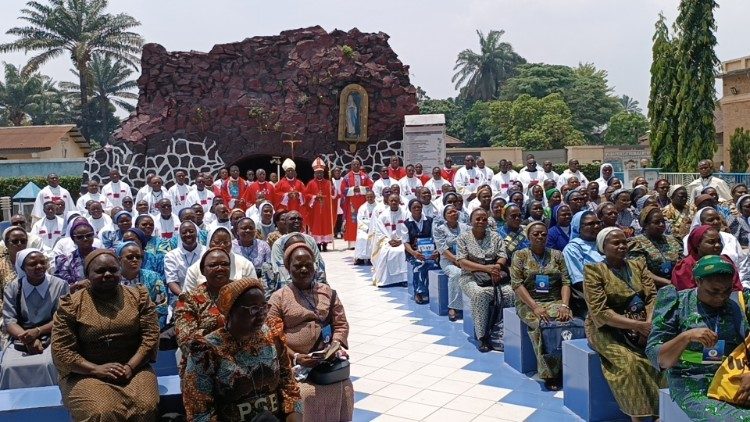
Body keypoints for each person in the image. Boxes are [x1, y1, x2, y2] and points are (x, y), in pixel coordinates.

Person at [51, 249, 160, 421]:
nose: (108, 274)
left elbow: (150, 337)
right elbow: (62, 350)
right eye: (100, 271)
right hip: (85, 373)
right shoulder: (71, 305)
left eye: (113, 270)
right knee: (103, 411)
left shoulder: (138, 297)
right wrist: (96, 369)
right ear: (87, 274)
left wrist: (130, 366)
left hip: (134, 368)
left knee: (145, 406)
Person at [183, 277, 303, 421]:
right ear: (230, 311)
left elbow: (289, 388)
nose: (261, 315)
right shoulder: (207, 351)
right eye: (253, 309)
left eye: (264, 308)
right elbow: (200, 413)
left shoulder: (272, 336)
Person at [646, 255, 750, 419]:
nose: (721, 297)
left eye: (726, 290)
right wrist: (685, 337)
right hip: (693, 383)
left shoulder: (740, 302)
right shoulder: (677, 303)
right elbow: (658, 358)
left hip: (735, 377)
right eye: (713, 291)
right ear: (698, 281)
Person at [583, 227, 661, 421]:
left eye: (624, 242)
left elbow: (652, 297)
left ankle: (661, 411)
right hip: (606, 328)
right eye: (615, 243)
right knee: (629, 363)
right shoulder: (594, 271)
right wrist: (636, 326)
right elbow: (600, 311)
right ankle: (638, 416)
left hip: (644, 324)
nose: (621, 246)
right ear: (603, 247)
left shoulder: (638, 265)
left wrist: (648, 323)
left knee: (660, 357)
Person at [268, 243, 352, 421]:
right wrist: (297, 357)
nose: (304, 269)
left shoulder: (328, 292)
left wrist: (334, 347)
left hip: (325, 360)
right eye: (297, 266)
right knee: (305, 394)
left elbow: (341, 324)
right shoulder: (279, 297)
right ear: (288, 269)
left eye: (308, 265)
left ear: (315, 266)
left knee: (345, 388)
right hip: (293, 363)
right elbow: (272, 336)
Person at [511, 222, 573, 391]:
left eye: (543, 234)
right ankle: (549, 373)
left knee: (564, 322)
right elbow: (517, 284)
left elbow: (566, 282)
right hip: (529, 301)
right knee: (542, 325)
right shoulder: (520, 255)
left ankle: (564, 367)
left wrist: (564, 305)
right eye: (536, 234)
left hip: (554, 300)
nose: (540, 237)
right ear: (528, 236)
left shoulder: (557, 255)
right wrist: (535, 306)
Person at [1, 249, 69, 389]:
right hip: (21, 336)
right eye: (33, 264)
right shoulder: (13, 287)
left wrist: (37, 332)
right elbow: (9, 321)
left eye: (42, 262)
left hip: (53, 334)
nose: (39, 266)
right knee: (7, 366)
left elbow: (62, 318)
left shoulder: (60, 285)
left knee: (48, 364)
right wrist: (29, 339)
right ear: (23, 268)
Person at [457, 209, 512, 352]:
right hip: (470, 276)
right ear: (471, 221)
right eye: (477, 219)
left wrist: (497, 267)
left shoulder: (495, 236)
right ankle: (483, 337)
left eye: (484, 219)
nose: (481, 222)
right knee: (481, 295)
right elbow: (462, 262)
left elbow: (502, 256)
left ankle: (503, 332)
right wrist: (486, 268)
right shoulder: (463, 238)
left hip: (494, 275)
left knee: (510, 292)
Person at [174, 247, 233, 372]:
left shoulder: (243, 292)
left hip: (241, 358)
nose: (220, 268)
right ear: (202, 270)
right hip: (203, 364)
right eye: (213, 265)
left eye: (225, 264)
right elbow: (186, 342)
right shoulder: (189, 300)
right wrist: (218, 326)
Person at [685, 208, 750, 283]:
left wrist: (742, 286)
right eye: (710, 220)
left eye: (718, 218)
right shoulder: (688, 264)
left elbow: (742, 265)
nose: (716, 222)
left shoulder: (730, 239)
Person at [183, 227, 256, 292]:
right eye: (217, 242)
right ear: (209, 243)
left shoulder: (245, 264)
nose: (222, 246)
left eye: (226, 242)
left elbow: (254, 291)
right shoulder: (194, 269)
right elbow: (187, 297)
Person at [671, 225, 743, 291]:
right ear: (697, 245)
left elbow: (737, 289)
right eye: (711, 242)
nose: (718, 245)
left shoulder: (725, 261)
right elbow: (687, 295)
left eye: (719, 241)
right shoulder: (686, 265)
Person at [115, 242, 168, 329]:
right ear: (119, 259)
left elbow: (161, 306)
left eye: (138, 257)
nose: (135, 260)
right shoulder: (114, 280)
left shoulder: (153, 277)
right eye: (130, 257)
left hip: (150, 326)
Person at [627, 206, 683, 289]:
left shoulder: (673, 240)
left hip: (677, 282)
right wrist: (669, 283)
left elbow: (683, 264)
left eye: (663, 221)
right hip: (652, 287)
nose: (661, 225)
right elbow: (643, 272)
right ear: (645, 225)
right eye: (656, 222)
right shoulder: (637, 243)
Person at [563, 210, 604, 316]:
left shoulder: (604, 243)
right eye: (590, 224)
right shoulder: (573, 248)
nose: (596, 226)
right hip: (590, 294)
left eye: (598, 223)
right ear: (579, 227)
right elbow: (579, 281)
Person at [403, 199, 439, 304]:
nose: (417, 209)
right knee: (419, 265)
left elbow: (435, 238)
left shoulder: (430, 221)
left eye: (419, 207)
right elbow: (405, 243)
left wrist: (436, 251)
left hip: (430, 253)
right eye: (414, 207)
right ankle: (418, 292)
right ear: (410, 209)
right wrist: (414, 253)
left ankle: (431, 292)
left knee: (432, 263)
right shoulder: (406, 223)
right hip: (414, 253)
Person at [371, 194, 409, 287]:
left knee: (402, 251)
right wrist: (388, 240)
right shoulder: (383, 216)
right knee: (387, 252)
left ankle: (404, 279)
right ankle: (387, 280)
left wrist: (401, 240)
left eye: (396, 200)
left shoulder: (405, 213)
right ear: (388, 202)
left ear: (399, 201)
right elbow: (379, 232)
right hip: (387, 242)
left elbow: (409, 229)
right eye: (391, 201)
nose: (394, 202)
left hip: (402, 241)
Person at [164, 221, 205, 301]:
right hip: (181, 299)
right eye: (184, 232)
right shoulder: (171, 256)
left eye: (191, 231)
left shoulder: (206, 252)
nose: (188, 234)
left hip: (205, 298)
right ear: (179, 235)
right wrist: (185, 297)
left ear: (197, 233)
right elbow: (172, 281)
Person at [54, 220, 98, 291]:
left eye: (88, 235)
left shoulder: (103, 256)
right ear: (73, 240)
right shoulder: (66, 261)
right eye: (80, 237)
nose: (85, 239)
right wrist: (77, 285)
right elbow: (60, 287)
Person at [305, 159, 336, 251]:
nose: (319, 174)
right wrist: (314, 197)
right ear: (314, 174)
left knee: (325, 225)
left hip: (326, 209)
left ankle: (325, 244)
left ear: (323, 173)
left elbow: (333, 196)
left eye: (321, 173)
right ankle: (317, 245)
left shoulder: (328, 183)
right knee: (317, 226)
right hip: (315, 210)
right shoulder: (311, 183)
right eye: (317, 173)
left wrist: (333, 189)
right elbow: (306, 195)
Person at [354, 191, 377, 265]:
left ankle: (371, 258)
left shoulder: (378, 207)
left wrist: (373, 229)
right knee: (362, 238)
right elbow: (360, 221)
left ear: (374, 197)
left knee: (373, 238)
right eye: (368, 197)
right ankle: (360, 258)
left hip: (375, 229)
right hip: (364, 229)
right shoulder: (362, 208)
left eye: (371, 196)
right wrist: (366, 229)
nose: (370, 198)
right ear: (366, 197)